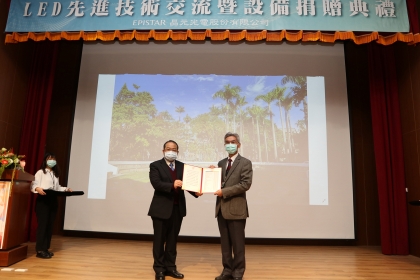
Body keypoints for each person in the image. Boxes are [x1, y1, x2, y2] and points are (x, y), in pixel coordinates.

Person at [148, 140, 202, 280]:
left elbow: (188, 183)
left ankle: (171, 267)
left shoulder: (182, 166)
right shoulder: (155, 166)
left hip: (177, 209)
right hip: (160, 209)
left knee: (172, 240)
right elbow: (156, 184)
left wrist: (196, 191)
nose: (171, 151)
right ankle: (159, 269)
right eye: (168, 148)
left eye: (174, 149)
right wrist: (172, 185)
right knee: (159, 240)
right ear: (163, 150)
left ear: (177, 152)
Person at [213, 132, 253, 280]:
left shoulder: (245, 162)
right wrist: (211, 173)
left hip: (237, 209)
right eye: (227, 142)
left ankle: (238, 272)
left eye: (233, 142)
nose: (230, 144)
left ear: (239, 144)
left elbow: (245, 184)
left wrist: (224, 191)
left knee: (238, 244)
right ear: (224, 145)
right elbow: (218, 183)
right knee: (225, 244)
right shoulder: (221, 163)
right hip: (221, 209)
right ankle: (227, 271)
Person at [31, 153, 72, 259]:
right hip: (43, 200)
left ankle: (45, 249)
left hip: (53, 200)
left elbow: (57, 187)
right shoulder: (40, 172)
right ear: (45, 160)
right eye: (49, 159)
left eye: (53, 159)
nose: (52, 161)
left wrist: (66, 189)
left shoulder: (55, 173)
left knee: (49, 226)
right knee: (43, 225)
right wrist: (37, 189)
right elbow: (34, 184)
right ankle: (39, 250)